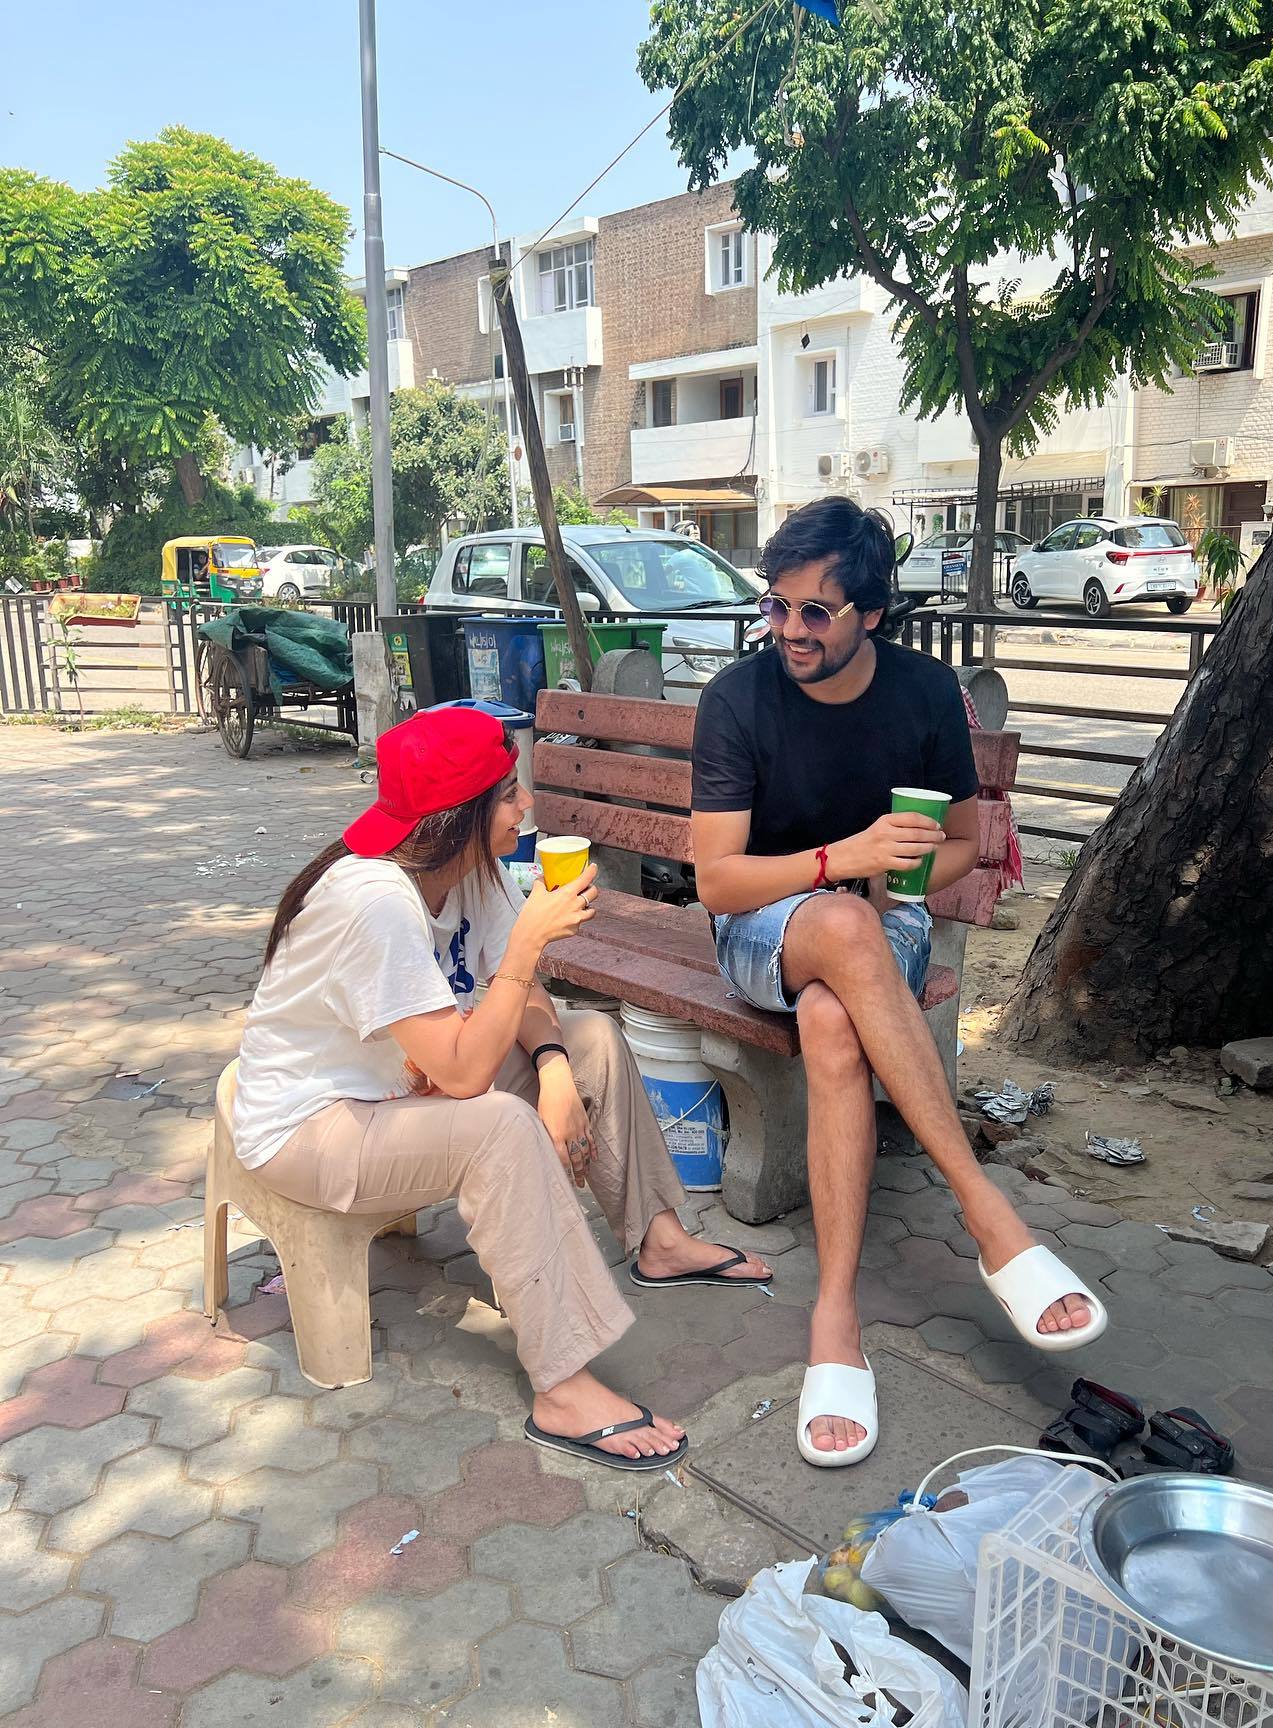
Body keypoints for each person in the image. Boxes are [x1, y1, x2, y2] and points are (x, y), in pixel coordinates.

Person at [232, 706, 769, 1473]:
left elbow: (525, 999)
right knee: (498, 1128)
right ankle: (562, 1385)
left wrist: (552, 1069)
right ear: (459, 815)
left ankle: (659, 1240)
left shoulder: (467, 873)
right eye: (510, 793)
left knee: (590, 1039)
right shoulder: (375, 901)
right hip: (311, 1128)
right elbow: (464, 1074)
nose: (527, 806)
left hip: (402, 1088)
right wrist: (526, 946)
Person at [691, 498, 1106, 1469]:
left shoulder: (922, 694)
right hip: (759, 927)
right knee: (840, 925)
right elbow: (717, 881)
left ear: (870, 613)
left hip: (888, 924)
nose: (789, 629)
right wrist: (841, 863)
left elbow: (963, 843)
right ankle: (985, 1212)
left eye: (816, 611)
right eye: (777, 605)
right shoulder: (738, 699)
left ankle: (834, 1319)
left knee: (835, 1021)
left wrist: (903, 874)